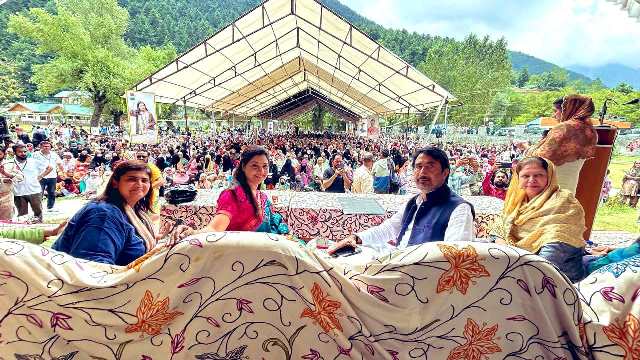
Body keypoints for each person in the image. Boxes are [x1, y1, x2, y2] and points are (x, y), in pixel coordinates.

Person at [329, 147, 475, 255]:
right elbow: (389, 229)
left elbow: (455, 257)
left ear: (445, 173)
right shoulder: (414, 202)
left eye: (430, 166)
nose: (423, 172)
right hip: (397, 260)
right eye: (418, 167)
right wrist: (356, 238)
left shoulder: (459, 209)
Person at [491, 157, 587, 282]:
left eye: (539, 175)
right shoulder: (517, 201)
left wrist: (510, 260)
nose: (532, 180)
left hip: (557, 278)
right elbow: (498, 230)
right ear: (517, 179)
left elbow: (554, 249)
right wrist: (505, 252)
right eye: (525, 176)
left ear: (550, 176)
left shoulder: (563, 201)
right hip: (515, 264)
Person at [52, 161, 158, 265]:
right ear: (115, 183)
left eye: (144, 180)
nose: (139, 184)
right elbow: (94, 265)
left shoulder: (135, 211)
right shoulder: (103, 214)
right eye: (131, 179)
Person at [171, 146, 289, 240]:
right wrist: (192, 233)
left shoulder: (262, 196)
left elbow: (274, 220)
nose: (261, 171)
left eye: (265, 166)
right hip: (243, 260)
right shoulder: (233, 195)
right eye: (255, 166)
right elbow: (215, 228)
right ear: (243, 166)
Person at [525, 95, 597, 194]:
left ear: (566, 109)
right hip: (570, 185)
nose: (554, 115)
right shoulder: (590, 131)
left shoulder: (564, 128)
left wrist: (526, 148)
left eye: (555, 111)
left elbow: (540, 157)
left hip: (552, 185)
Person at [2, 144, 45, 222]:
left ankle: (40, 227)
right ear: (14, 152)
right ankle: (24, 229)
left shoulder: (33, 161)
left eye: (25, 151)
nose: (23, 153)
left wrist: (41, 176)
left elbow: (49, 167)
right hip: (18, 192)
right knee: (22, 216)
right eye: (20, 152)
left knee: (38, 213)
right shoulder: (9, 163)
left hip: (34, 190)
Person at [32, 140, 62, 211]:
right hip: (40, 176)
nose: (46, 148)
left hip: (52, 176)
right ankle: (38, 207)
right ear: (40, 147)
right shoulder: (35, 154)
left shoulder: (54, 154)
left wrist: (61, 170)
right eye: (45, 146)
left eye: (48, 146)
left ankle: (50, 207)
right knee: (40, 192)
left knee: (52, 192)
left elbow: (59, 163)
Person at [0, 147, 25, 220]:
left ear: (4, 155)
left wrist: (5, 173)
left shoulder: (10, 165)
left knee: (5, 223)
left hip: (6, 198)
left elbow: (21, 177)